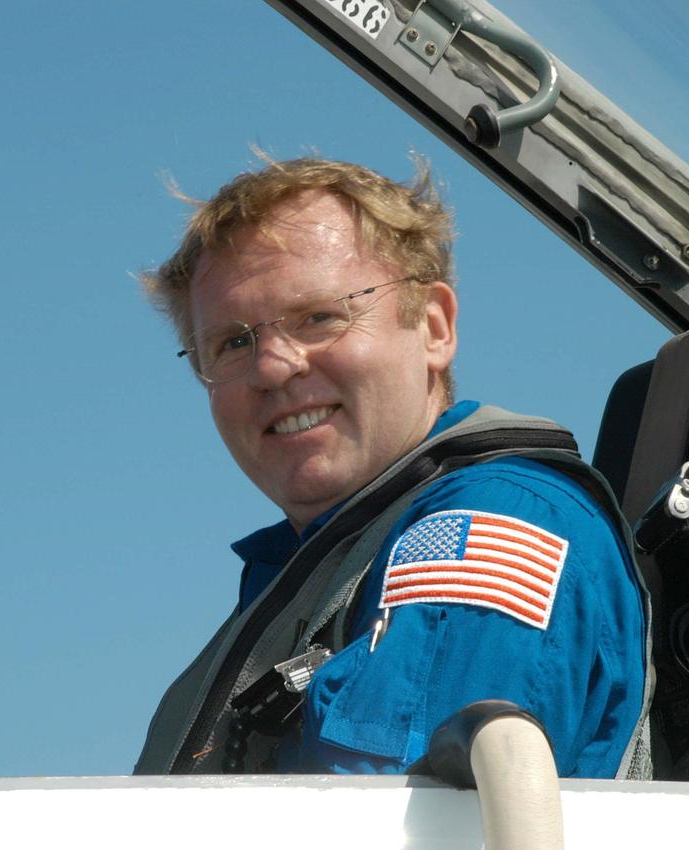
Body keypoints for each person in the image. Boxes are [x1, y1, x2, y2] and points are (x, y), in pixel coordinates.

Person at [135, 156, 650, 779]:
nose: (271, 367)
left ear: (433, 328)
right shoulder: (315, 569)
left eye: (318, 316)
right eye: (233, 342)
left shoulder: (485, 524)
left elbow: (398, 829)